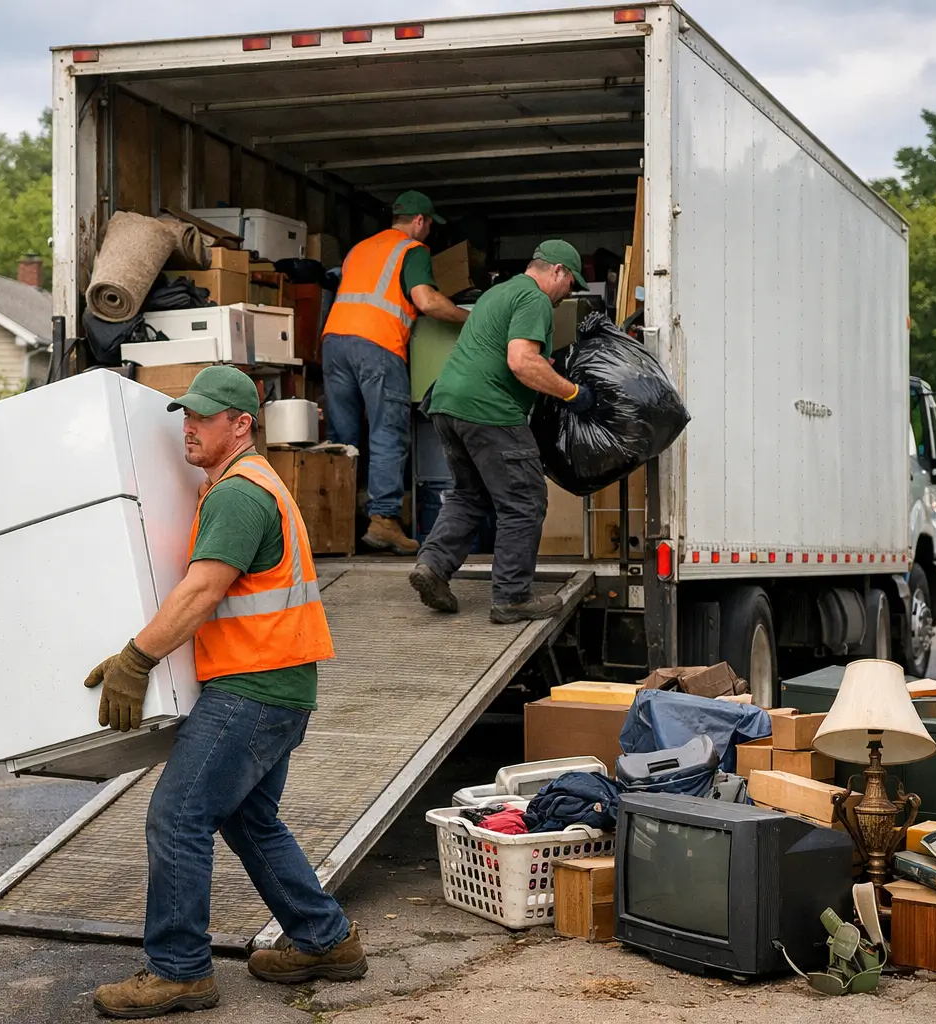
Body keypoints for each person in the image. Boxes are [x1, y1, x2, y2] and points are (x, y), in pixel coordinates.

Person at [84, 365, 365, 1019]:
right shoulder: (244, 484)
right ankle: (326, 941)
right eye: (185, 415)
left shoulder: (239, 493)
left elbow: (203, 590)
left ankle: (179, 971)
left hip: (253, 687)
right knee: (248, 819)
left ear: (241, 424)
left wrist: (136, 659)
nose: (189, 427)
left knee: (178, 817)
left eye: (203, 417)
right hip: (276, 683)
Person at [408, 241, 594, 622]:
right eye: (571, 284)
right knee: (524, 499)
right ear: (557, 271)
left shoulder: (497, 293)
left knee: (470, 494)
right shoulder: (535, 299)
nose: (567, 295)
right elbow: (521, 361)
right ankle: (512, 597)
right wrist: (572, 393)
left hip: (446, 402)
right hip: (488, 409)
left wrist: (543, 366)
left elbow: (500, 351)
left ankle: (434, 567)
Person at [321, 190, 470, 555]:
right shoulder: (412, 250)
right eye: (430, 224)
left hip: (334, 342)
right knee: (388, 432)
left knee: (342, 438)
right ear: (419, 221)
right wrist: (473, 319)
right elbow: (426, 301)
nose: (429, 231)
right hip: (378, 344)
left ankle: (336, 525)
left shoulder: (359, 249)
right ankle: (384, 520)